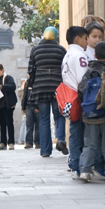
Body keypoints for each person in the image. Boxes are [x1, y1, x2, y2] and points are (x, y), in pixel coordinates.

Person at [78, 41, 105, 183]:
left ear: (94, 55)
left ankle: (84, 171)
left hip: (89, 115)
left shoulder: (88, 71)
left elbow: (81, 90)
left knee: (90, 144)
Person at [28, 27, 68, 157]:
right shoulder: (61, 50)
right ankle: (61, 139)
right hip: (57, 86)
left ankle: (45, 150)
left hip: (40, 87)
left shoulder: (36, 50)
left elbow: (30, 71)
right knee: (59, 115)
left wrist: (33, 85)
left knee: (44, 119)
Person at [62, 25, 90, 177]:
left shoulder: (68, 54)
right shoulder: (79, 55)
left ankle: (74, 164)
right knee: (80, 133)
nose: (87, 42)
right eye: (86, 39)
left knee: (75, 132)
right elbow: (83, 80)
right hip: (79, 99)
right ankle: (78, 165)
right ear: (78, 39)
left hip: (70, 98)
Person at [0, 63, 17, 149]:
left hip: (7, 105)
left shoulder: (8, 78)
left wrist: (1, 87)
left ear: (2, 70)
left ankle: (11, 142)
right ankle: (3, 143)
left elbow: (12, 86)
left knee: (9, 123)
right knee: (2, 124)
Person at [19, 78, 39, 149]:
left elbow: (38, 94)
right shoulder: (27, 82)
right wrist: (23, 106)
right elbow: (25, 94)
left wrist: (37, 106)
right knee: (29, 125)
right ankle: (28, 142)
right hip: (28, 106)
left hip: (36, 106)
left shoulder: (37, 81)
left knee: (37, 125)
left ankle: (37, 142)